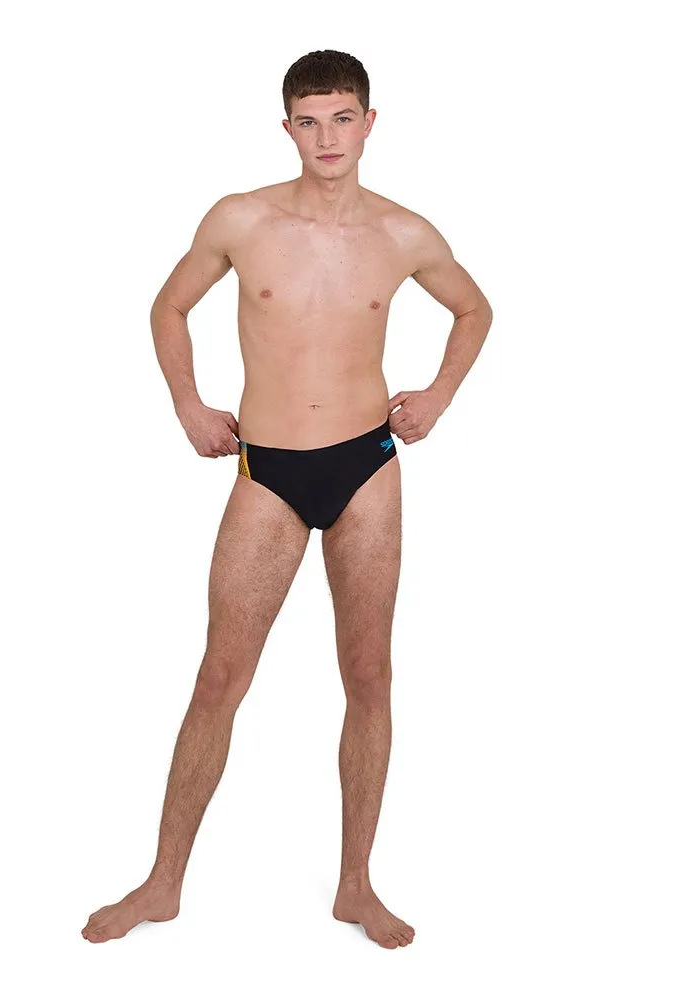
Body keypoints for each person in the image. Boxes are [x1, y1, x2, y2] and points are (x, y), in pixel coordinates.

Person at [82, 48, 492, 950]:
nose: (326, 137)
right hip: (265, 469)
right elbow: (167, 306)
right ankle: (162, 883)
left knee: (370, 675)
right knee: (219, 677)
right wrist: (188, 405)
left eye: (342, 118)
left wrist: (438, 395)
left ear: (370, 124)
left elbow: (475, 309)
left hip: (367, 466)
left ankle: (355, 886)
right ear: (288, 128)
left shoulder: (404, 233)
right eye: (309, 121)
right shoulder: (242, 217)